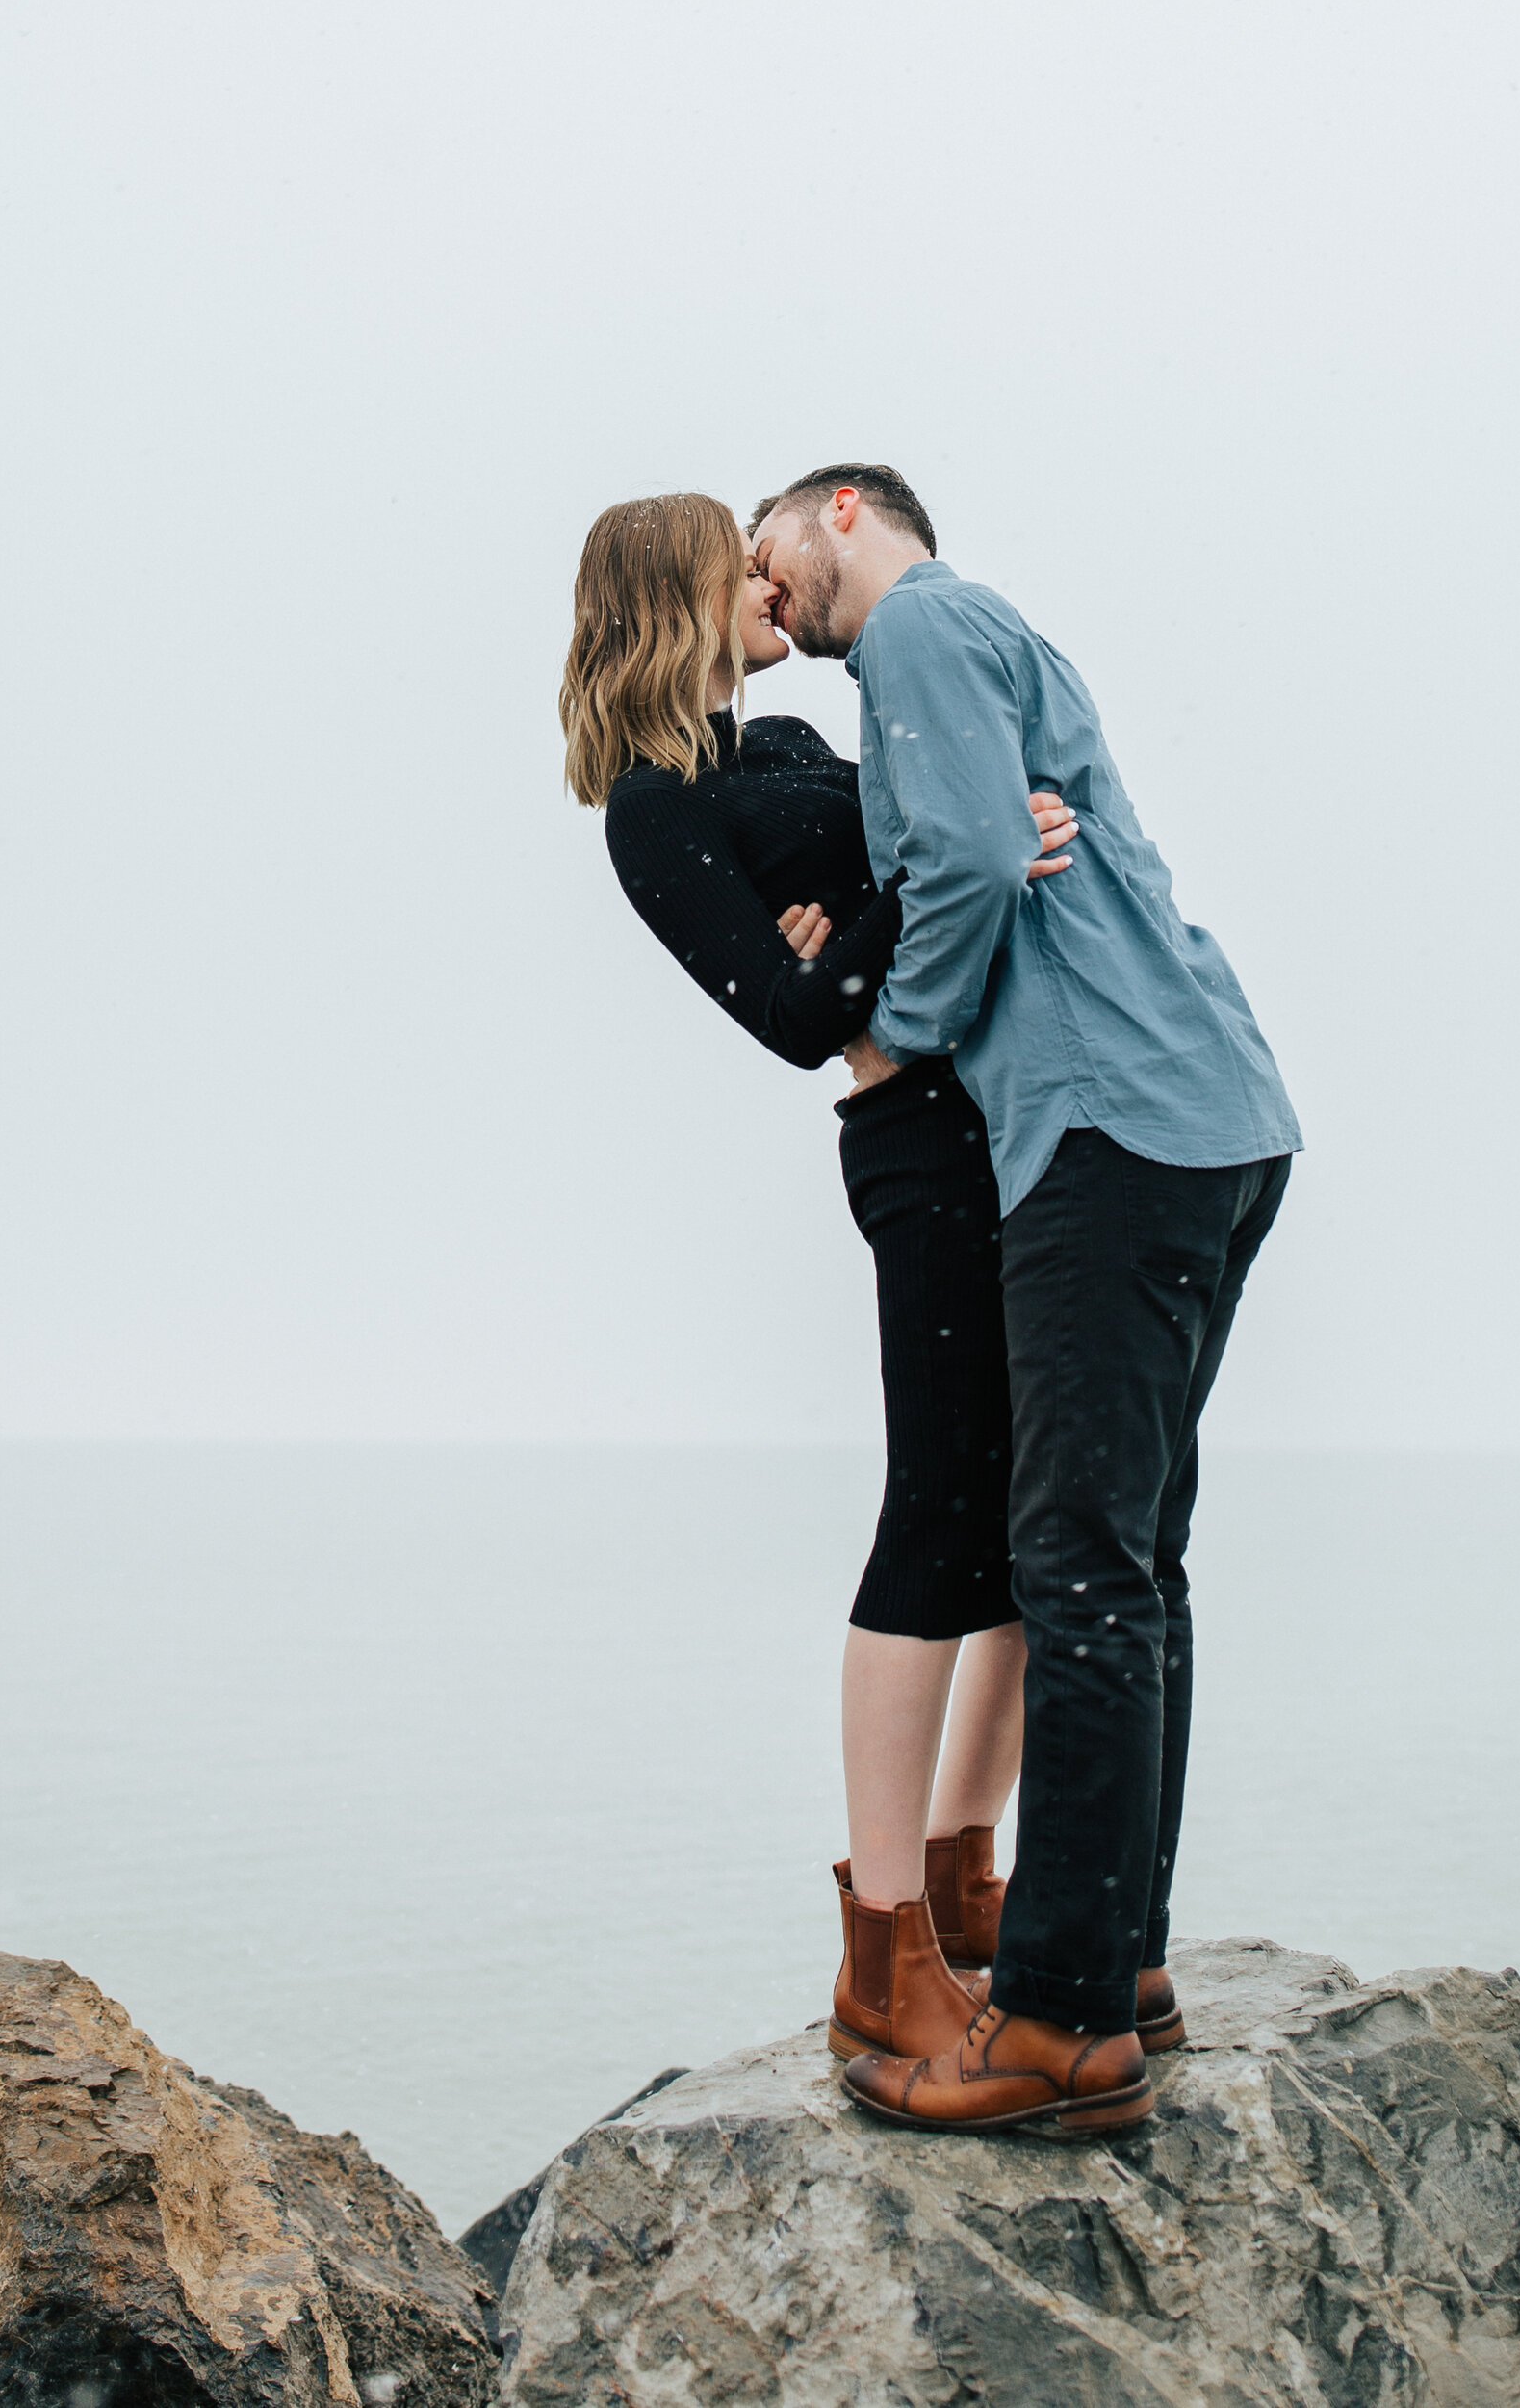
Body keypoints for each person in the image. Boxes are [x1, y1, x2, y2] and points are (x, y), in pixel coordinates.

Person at [749, 465, 1301, 2140]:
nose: (765, 604)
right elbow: (985, 849)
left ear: (844, 507)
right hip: (1211, 1111)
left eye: (768, 553)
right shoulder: (987, 644)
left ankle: (1056, 2020)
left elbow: (982, 864)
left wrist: (894, 1021)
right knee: (1131, 1556)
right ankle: (1113, 1958)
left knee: (1074, 1562)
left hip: (1106, 1120)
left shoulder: (916, 620)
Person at [558, 491, 1078, 2064]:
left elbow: (853, 932)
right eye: (740, 553)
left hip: (1003, 1112)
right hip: (913, 1148)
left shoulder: (782, 751)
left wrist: (863, 913)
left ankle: (968, 1887)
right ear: (683, 588)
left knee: (1032, 1529)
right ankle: (885, 1939)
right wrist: (919, 889)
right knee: (935, 1517)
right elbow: (795, 1016)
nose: (767, 574)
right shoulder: (650, 806)